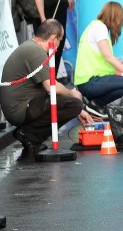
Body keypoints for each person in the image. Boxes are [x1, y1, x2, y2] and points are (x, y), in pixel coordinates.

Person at [1, 19, 94, 152]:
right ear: (53, 38)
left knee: (73, 105)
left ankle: (29, 134)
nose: (59, 45)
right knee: (74, 103)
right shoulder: (35, 51)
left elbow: (50, 91)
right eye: (60, 40)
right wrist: (72, 95)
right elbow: (51, 87)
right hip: (19, 109)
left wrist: (78, 111)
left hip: (20, 106)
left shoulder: (31, 47)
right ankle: (29, 135)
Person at [74, 2, 123, 114]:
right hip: (92, 81)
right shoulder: (100, 28)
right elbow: (108, 57)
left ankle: (96, 104)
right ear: (116, 17)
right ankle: (96, 104)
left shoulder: (94, 26)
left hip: (89, 82)